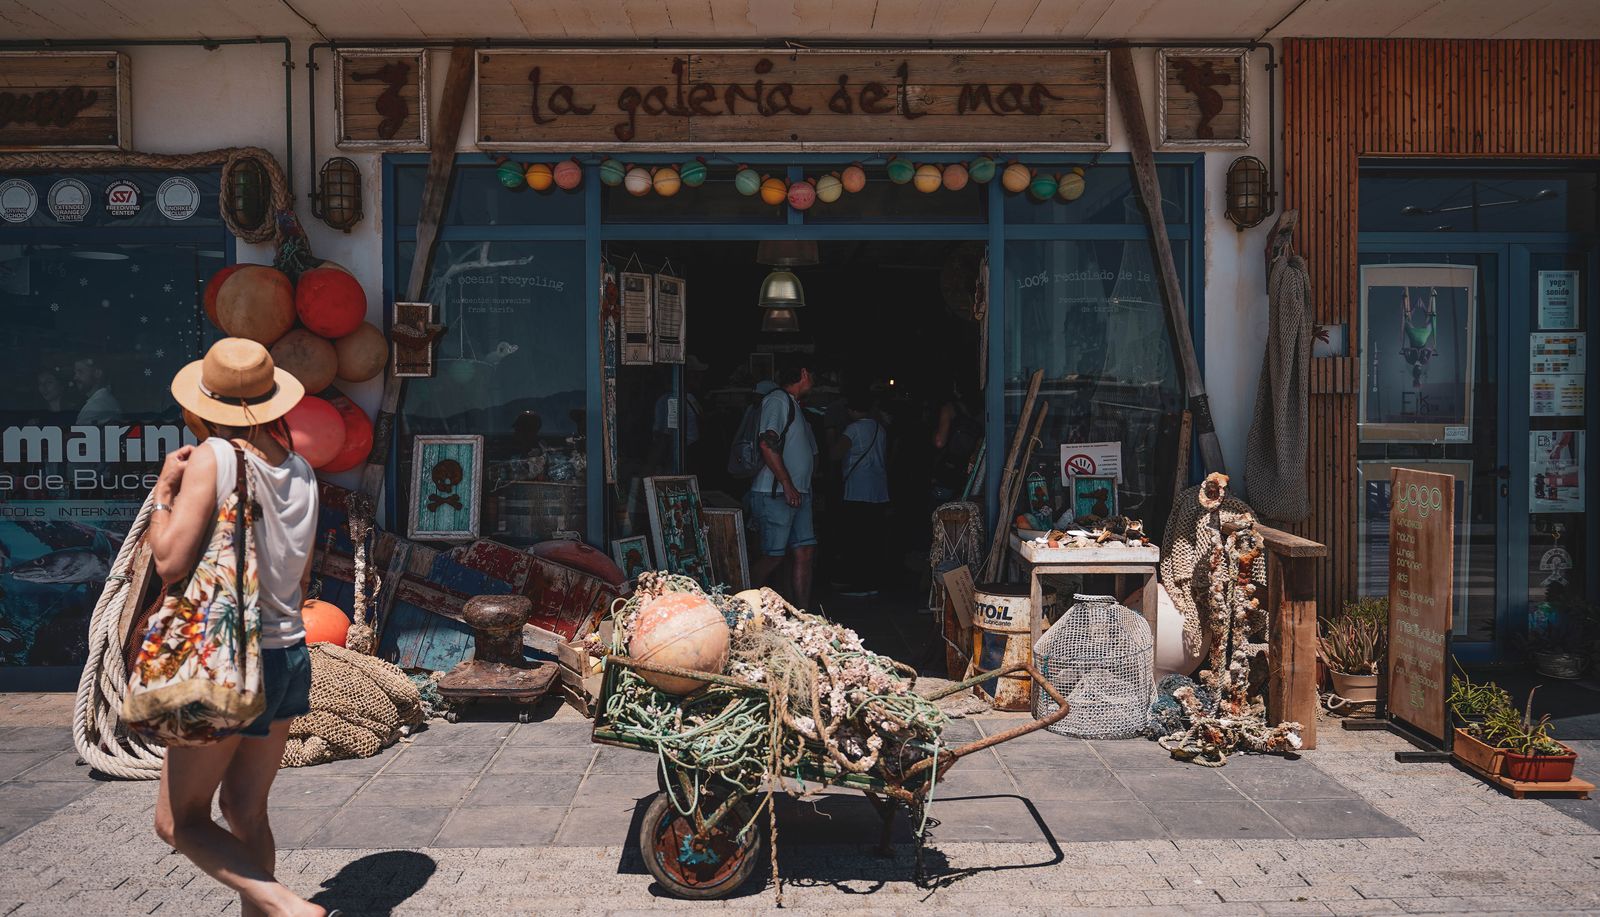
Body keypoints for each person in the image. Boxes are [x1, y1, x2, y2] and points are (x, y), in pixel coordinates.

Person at [148, 337, 328, 917]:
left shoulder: (215, 457)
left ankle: (287, 905)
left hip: (222, 660)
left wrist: (162, 494)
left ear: (206, 405)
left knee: (179, 821)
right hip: (286, 653)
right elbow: (299, 583)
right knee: (247, 812)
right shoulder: (302, 471)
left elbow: (170, 562)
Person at [748, 354, 818, 608]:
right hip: (776, 493)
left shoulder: (792, 403)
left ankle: (803, 614)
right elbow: (767, 443)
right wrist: (787, 483)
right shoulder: (777, 400)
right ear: (803, 373)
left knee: (804, 552)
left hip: (796, 493)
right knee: (773, 557)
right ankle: (746, 608)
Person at [831, 387, 890, 596]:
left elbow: (836, 454)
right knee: (873, 537)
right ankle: (873, 582)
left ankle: (859, 583)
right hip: (878, 489)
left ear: (851, 409)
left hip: (857, 489)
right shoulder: (879, 428)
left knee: (856, 537)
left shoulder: (853, 429)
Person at [930, 383, 983, 504]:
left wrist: (932, 434)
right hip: (968, 476)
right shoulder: (983, 411)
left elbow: (939, 442)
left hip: (947, 473)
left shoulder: (949, 409)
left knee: (940, 514)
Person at [72, 356, 122, 426]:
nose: (75, 377)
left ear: (97, 373)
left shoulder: (94, 407)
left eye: (80, 372)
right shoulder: (106, 400)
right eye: (75, 373)